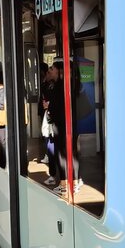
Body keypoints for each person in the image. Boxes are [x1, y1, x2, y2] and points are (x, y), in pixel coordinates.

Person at [46, 59, 80, 196]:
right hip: (68, 124)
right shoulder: (69, 85)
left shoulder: (60, 87)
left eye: (52, 69)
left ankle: (64, 183)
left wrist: (50, 112)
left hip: (61, 125)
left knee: (62, 155)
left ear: (59, 71)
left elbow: (57, 107)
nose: (50, 72)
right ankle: (75, 182)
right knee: (72, 154)